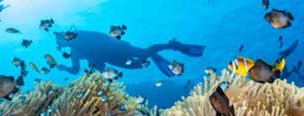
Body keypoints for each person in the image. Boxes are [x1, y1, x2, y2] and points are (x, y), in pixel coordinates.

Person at [54, 30, 205, 77]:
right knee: (141, 58)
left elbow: (75, 70)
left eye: (61, 43)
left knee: (141, 57)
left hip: (114, 52)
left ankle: (170, 45)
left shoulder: (76, 48)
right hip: (116, 49)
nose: (62, 45)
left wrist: (63, 67)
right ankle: (169, 46)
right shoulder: (81, 37)